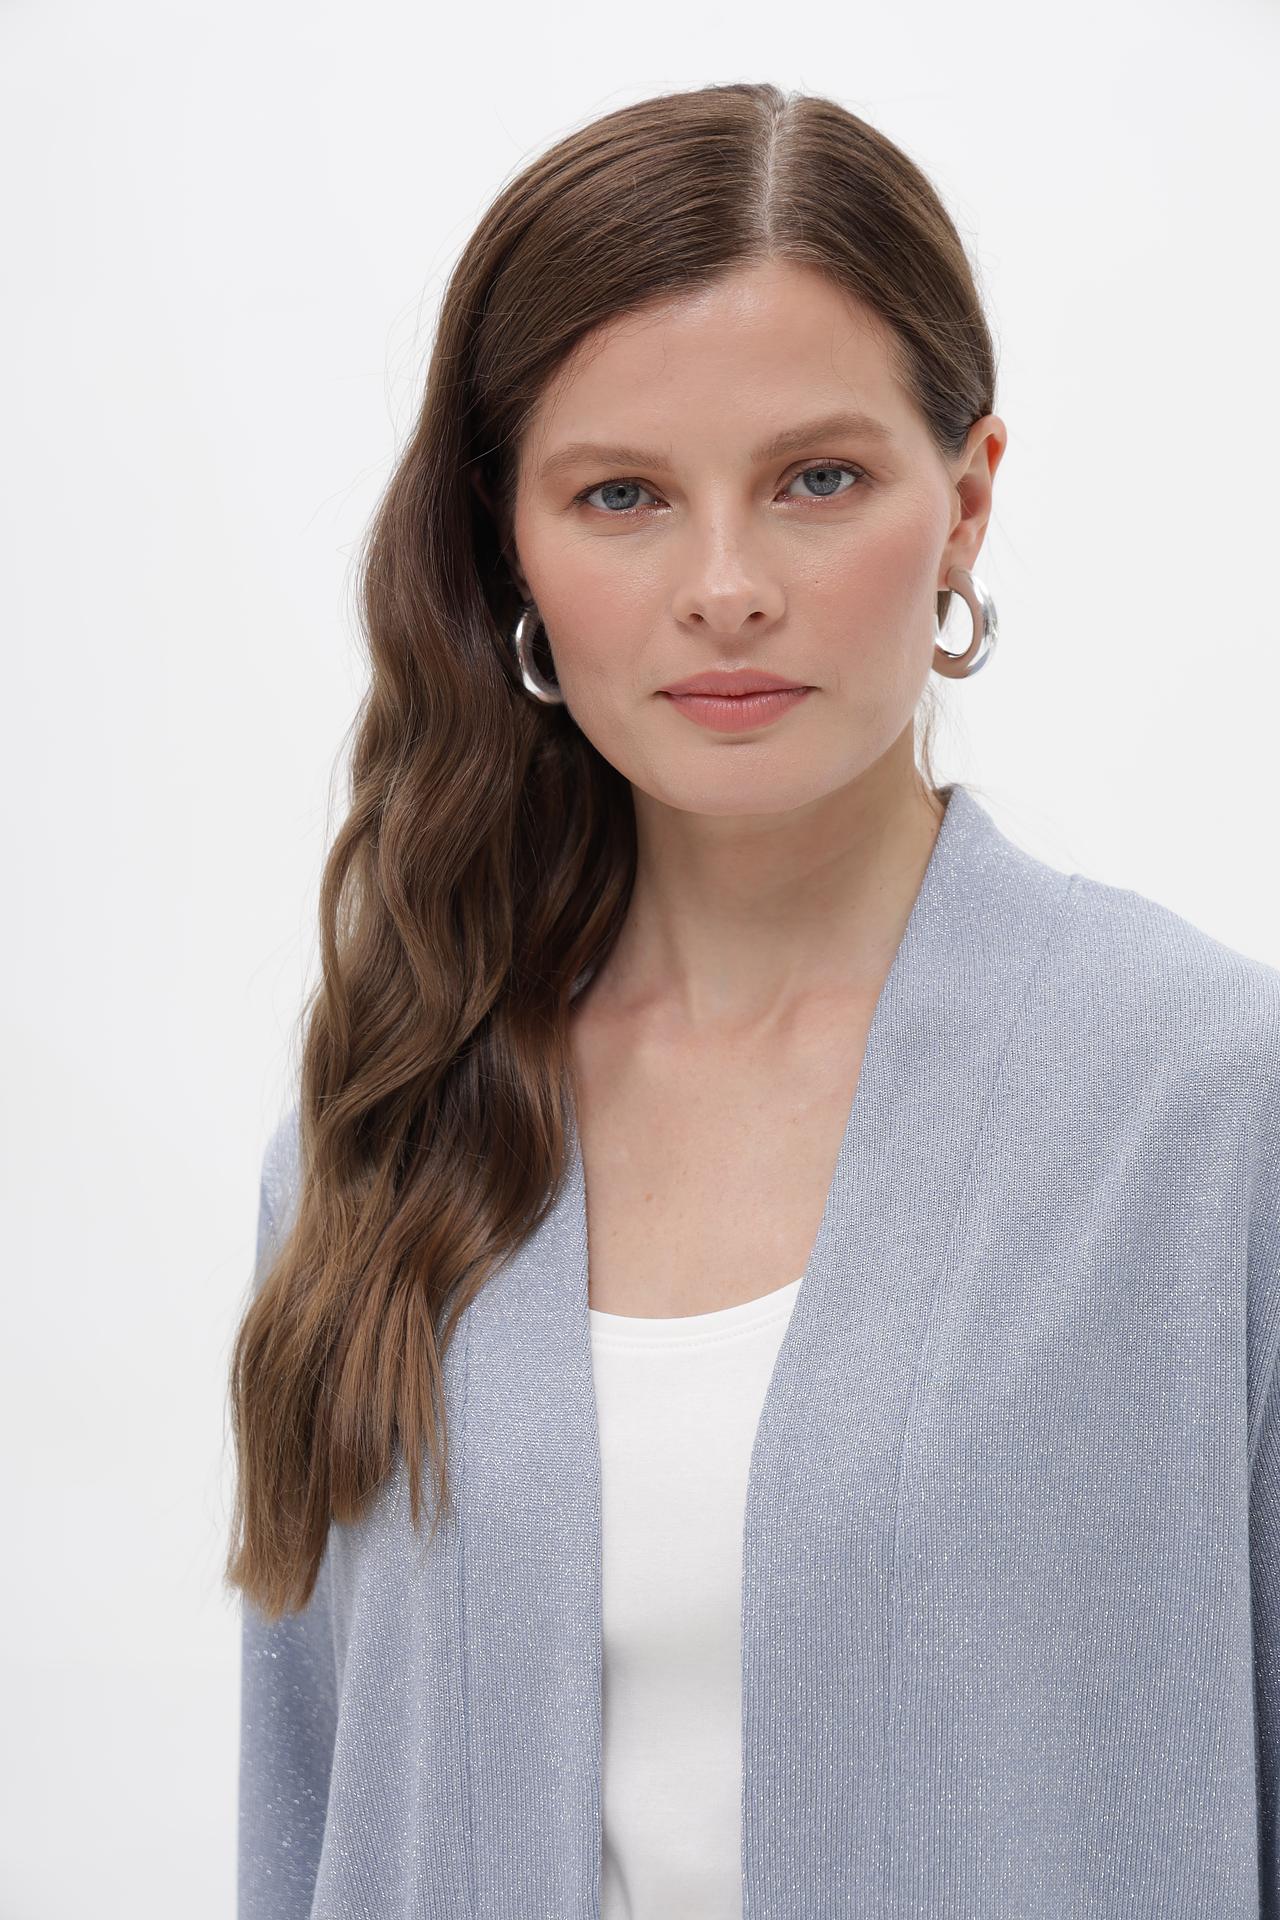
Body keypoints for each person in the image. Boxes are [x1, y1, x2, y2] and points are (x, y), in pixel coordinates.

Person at [227, 81, 1280, 1920]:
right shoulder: (387, 1127)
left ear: (966, 502)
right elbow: (304, 1812)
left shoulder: (1201, 1108)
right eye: (622, 496)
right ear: (508, 544)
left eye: (818, 481)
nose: (725, 590)